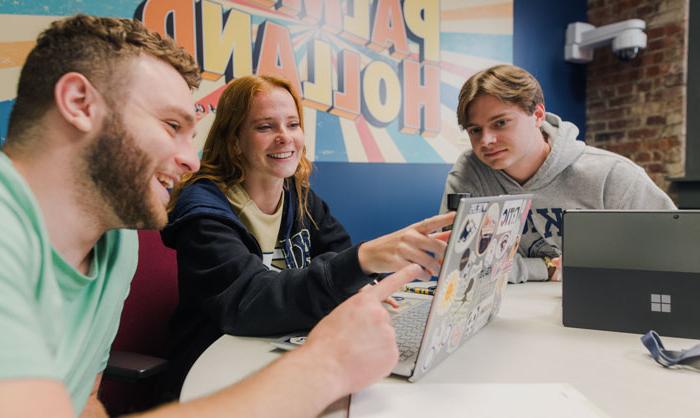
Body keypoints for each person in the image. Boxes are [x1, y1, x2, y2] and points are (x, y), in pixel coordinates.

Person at [0, 15, 437, 418]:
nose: (191, 160)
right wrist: (328, 364)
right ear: (79, 103)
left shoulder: (116, 240)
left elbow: (85, 402)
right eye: (172, 126)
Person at [160, 74, 454, 400]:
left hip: (279, 353)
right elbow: (247, 303)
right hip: (212, 372)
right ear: (234, 140)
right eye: (265, 127)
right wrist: (362, 261)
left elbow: (338, 253)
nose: (285, 137)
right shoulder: (203, 211)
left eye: (292, 124)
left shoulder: (299, 197)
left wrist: (360, 284)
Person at [441, 64, 675, 284]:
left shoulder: (612, 175)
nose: (486, 140)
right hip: (505, 314)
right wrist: (547, 268)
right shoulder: (470, 173)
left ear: (538, 115)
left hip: (600, 309)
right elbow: (455, 264)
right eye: (475, 130)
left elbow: (675, 250)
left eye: (500, 123)